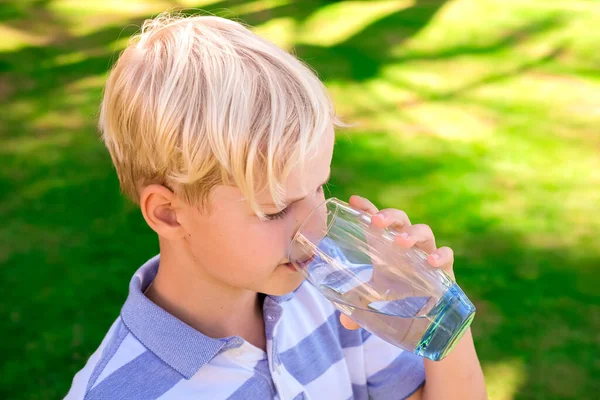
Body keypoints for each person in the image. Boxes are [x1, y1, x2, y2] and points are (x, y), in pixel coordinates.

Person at [65, 12, 487, 400]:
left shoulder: (341, 297)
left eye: (320, 188)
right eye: (274, 210)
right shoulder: (118, 390)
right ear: (168, 213)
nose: (316, 228)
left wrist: (439, 315)